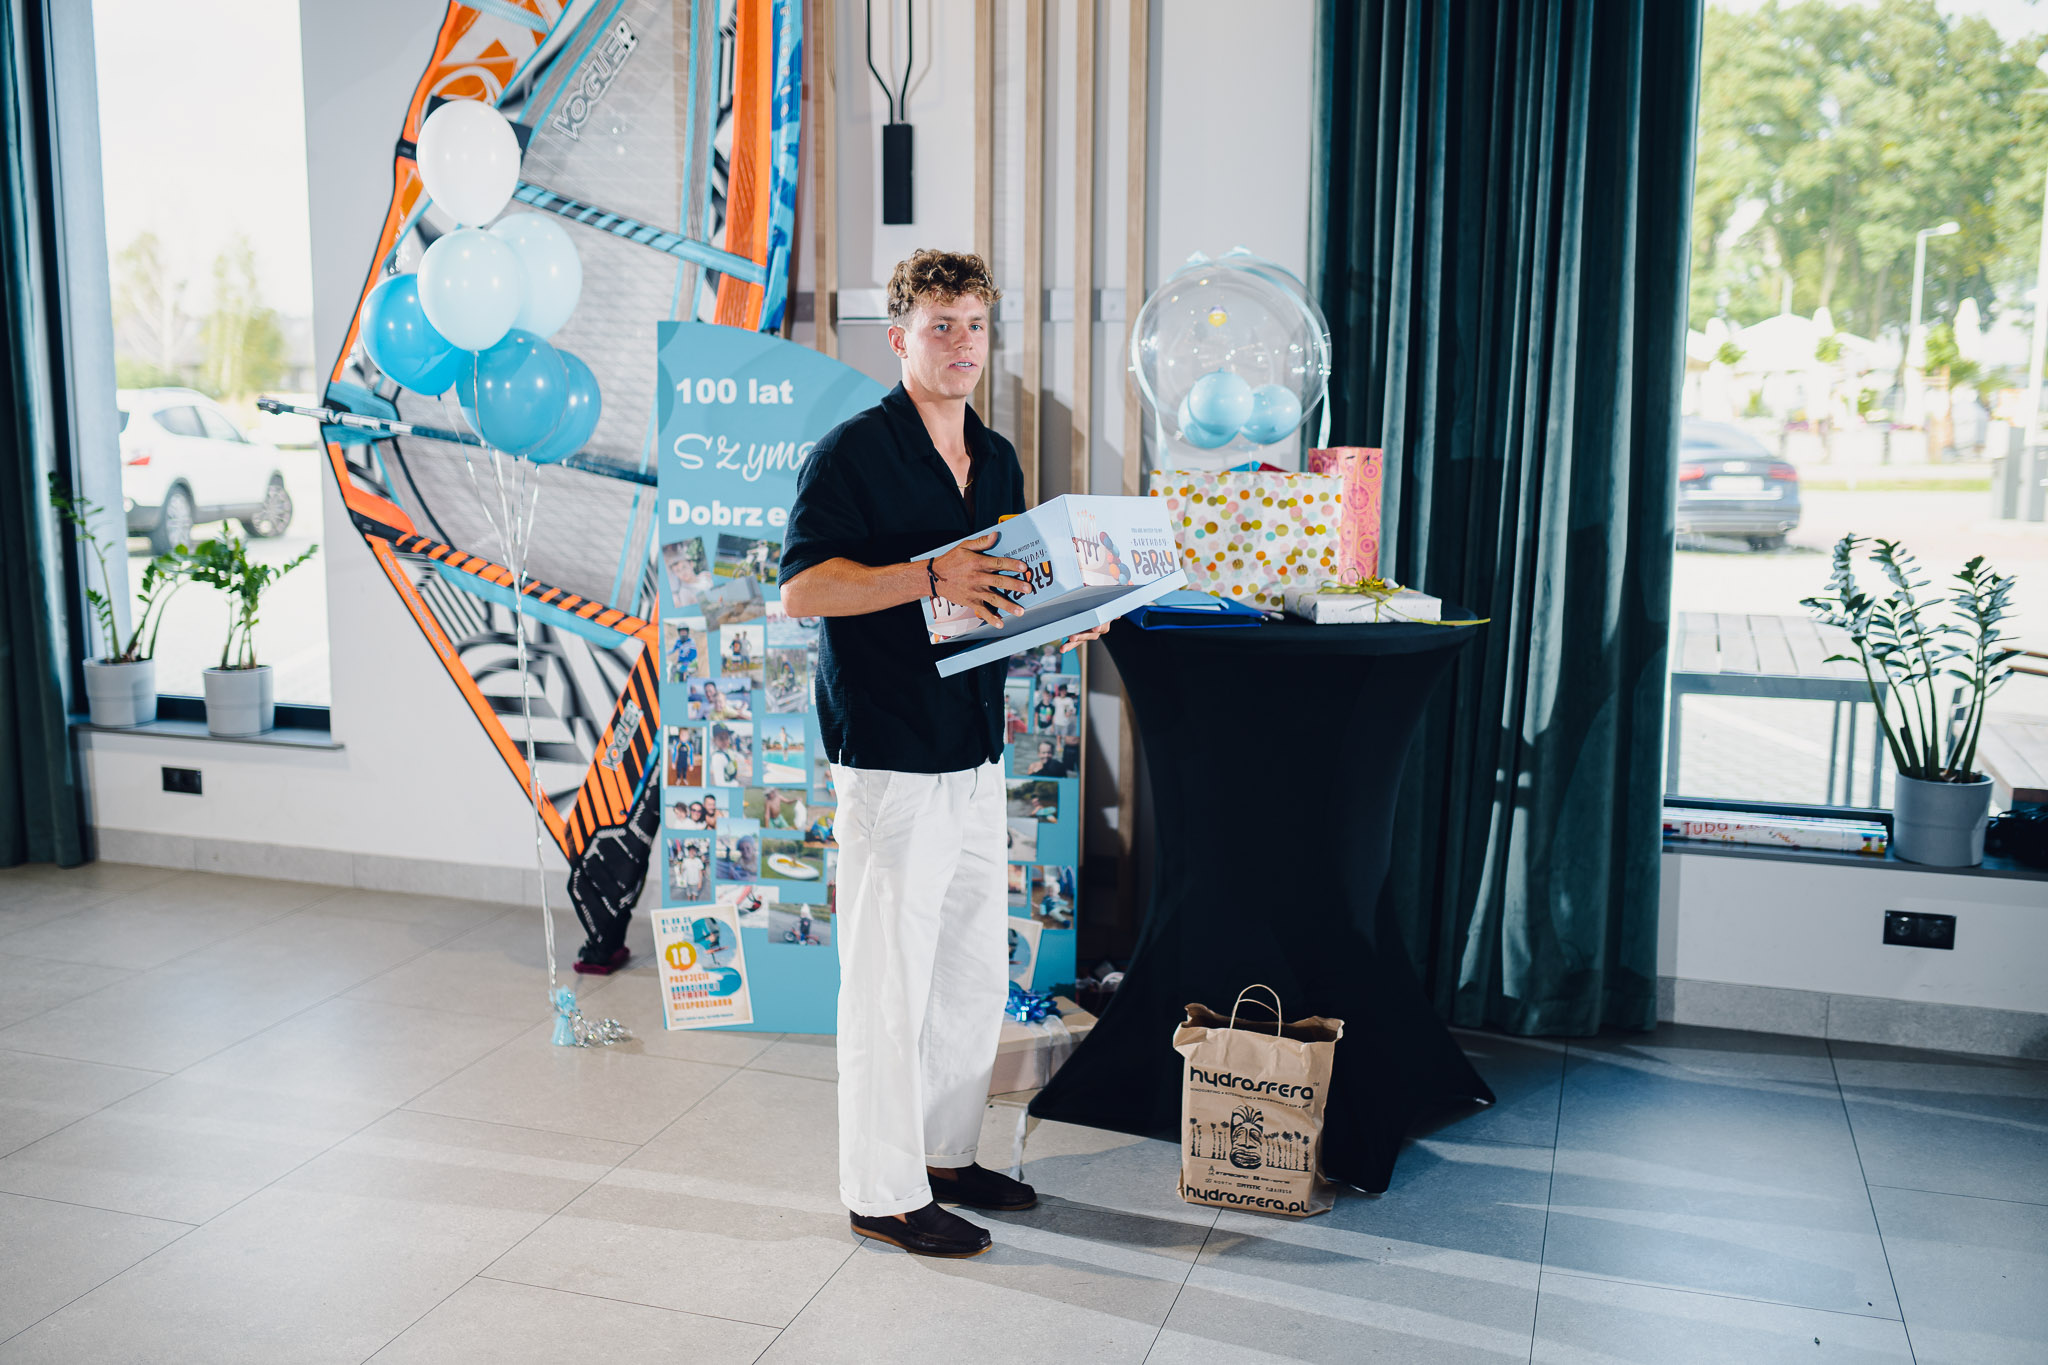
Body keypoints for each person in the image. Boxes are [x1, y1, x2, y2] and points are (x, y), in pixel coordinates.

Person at [779, 249, 1106, 1260]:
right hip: (889, 753)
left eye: (974, 325)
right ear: (900, 338)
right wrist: (926, 575)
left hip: (973, 747)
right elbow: (803, 591)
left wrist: (1066, 615)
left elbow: (998, 600)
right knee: (888, 982)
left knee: (968, 968)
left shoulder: (997, 459)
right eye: (940, 326)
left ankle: (945, 1155)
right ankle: (881, 1193)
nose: (962, 343)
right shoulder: (850, 453)